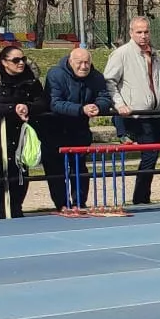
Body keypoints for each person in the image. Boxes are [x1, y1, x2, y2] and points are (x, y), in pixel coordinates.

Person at [0, 44, 48, 219]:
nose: (21, 63)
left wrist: (27, 107)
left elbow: (42, 102)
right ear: (4, 62)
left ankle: (17, 206)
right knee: (3, 167)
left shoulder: (30, 79)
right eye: (16, 60)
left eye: (23, 59)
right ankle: (2, 207)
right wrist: (12, 108)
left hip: (23, 130)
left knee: (22, 169)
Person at [105, 16, 160, 205]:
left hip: (157, 113)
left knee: (152, 156)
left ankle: (142, 197)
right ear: (131, 33)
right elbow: (109, 81)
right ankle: (140, 199)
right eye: (139, 32)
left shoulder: (155, 54)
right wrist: (119, 104)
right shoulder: (122, 54)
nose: (143, 36)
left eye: (146, 31)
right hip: (137, 114)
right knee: (149, 156)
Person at [45, 44, 112, 211]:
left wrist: (98, 106)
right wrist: (80, 109)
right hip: (55, 129)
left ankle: (79, 202)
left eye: (87, 62)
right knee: (56, 170)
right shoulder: (56, 74)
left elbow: (104, 96)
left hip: (80, 129)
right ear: (70, 61)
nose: (84, 66)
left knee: (80, 167)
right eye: (79, 62)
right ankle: (61, 204)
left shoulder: (96, 76)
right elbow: (54, 102)